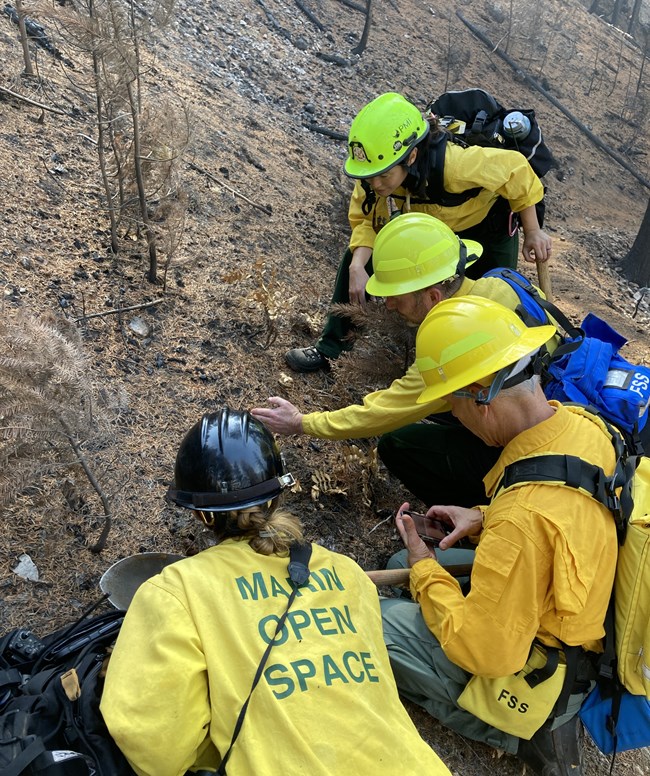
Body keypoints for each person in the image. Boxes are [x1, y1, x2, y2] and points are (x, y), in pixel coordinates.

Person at [100, 408, 451, 776]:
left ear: (199, 514)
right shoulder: (348, 574)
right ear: (278, 495)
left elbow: (155, 748)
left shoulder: (176, 591)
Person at [380, 296, 618, 776]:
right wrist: (482, 517)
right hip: (578, 619)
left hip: (541, 674)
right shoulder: (583, 425)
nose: (455, 416)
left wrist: (424, 566)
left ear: (477, 393)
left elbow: (485, 652)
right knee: (396, 564)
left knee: (375, 619)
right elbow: (566, 507)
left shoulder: (522, 523)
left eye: (453, 403)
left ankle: (521, 732)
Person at [254, 212, 561, 508]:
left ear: (433, 297)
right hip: (554, 413)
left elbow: (384, 411)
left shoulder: (460, 340)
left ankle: (476, 521)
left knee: (399, 444)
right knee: (448, 404)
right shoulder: (500, 284)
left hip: (540, 461)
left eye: (396, 296)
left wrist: (302, 423)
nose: (388, 306)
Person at [286, 91, 552, 373]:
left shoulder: (455, 164)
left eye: (384, 175)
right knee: (356, 259)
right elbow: (367, 222)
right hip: (429, 230)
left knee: (490, 298)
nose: (375, 184)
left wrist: (533, 231)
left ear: (411, 155)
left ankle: (489, 371)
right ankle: (330, 349)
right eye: (370, 176)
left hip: (486, 230)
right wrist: (357, 264)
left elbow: (517, 173)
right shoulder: (376, 171)